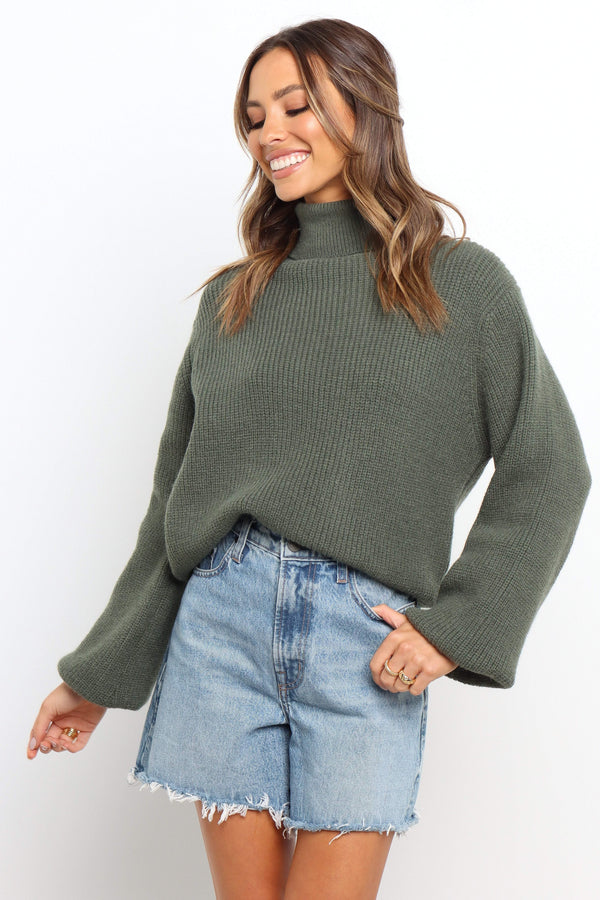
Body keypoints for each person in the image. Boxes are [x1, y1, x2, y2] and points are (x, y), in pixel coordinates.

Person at [27, 17, 591, 900]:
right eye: (255, 117)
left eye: (296, 106)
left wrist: (457, 627)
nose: (270, 134)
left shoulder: (462, 285)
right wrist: (98, 674)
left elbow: (551, 468)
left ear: (366, 108)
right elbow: (175, 508)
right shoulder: (232, 299)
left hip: (363, 644)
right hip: (220, 629)